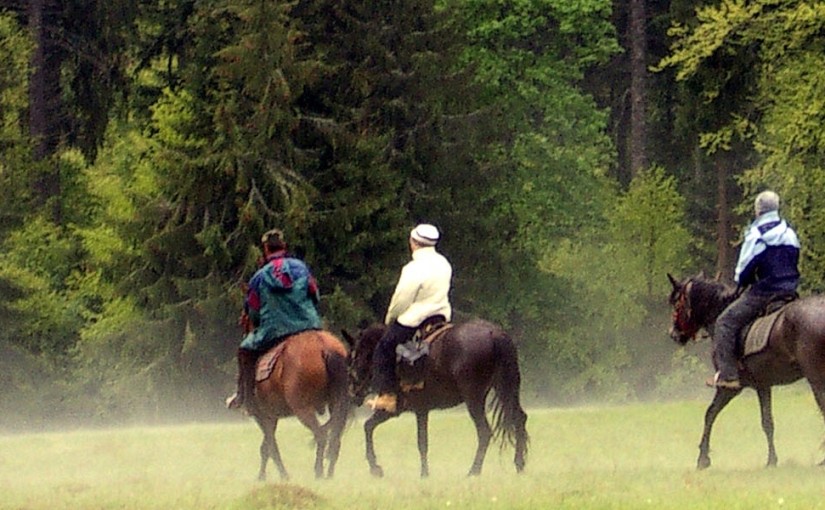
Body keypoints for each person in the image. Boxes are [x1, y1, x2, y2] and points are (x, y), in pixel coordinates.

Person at [711, 190, 800, 389]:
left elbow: (742, 273)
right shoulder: (789, 233)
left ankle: (729, 375)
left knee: (725, 322)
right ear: (777, 208)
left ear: (758, 210)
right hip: (790, 292)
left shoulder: (757, 234)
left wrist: (744, 281)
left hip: (765, 293)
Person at [225, 228, 322, 410]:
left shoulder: (259, 278)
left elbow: (253, 312)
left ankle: (243, 396)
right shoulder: (301, 268)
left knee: (245, 351)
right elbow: (315, 294)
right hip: (310, 326)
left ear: (266, 249)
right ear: (284, 245)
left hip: (274, 331)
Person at [367, 224, 453, 413]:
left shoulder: (413, 268)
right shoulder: (444, 263)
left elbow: (402, 298)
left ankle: (387, 395)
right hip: (441, 315)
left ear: (413, 243)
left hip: (417, 317)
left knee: (384, 347)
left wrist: (391, 316)